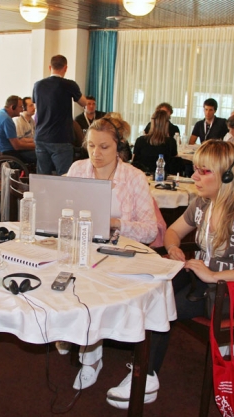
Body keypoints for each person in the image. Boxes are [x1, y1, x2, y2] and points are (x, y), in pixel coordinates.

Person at [106, 140, 234, 409]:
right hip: (204, 280)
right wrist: (173, 248)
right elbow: (172, 232)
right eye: (196, 169)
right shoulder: (202, 202)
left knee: (163, 303)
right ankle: (136, 351)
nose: (194, 176)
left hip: (231, 292)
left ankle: (147, 376)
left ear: (227, 175)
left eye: (204, 171)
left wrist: (212, 276)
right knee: (154, 287)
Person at [63, 116, 158, 390]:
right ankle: (83, 346)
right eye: (91, 146)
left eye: (104, 147)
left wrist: (115, 222)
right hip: (82, 244)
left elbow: (150, 230)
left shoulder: (134, 177)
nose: (96, 154)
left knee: (91, 285)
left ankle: (90, 356)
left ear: (120, 147)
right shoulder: (78, 169)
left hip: (119, 250)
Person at [32, 54, 87, 175]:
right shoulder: (69, 85)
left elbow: (36, 106)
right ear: (65, 68)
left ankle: (42, 194)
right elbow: (84, 103)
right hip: (60, 137)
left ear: (49, 67)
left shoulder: (38, 85)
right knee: (64, 176)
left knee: (42, 176)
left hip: (41, 136)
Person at [0, 95, 36, 164]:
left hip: (1, 150)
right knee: (41, 155)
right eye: (20, 107)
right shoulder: (7, 120)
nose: (22, 110)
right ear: (13, 107)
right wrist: (35, 146)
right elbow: (17, 146)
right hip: (9, 153)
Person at [133, 110, 178, 174]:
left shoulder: (140, 140)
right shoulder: (171, 142)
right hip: (163, 177)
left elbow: (134, 162)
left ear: (152, 123)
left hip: (142, 176)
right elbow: (174, 164)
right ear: (167, 124)